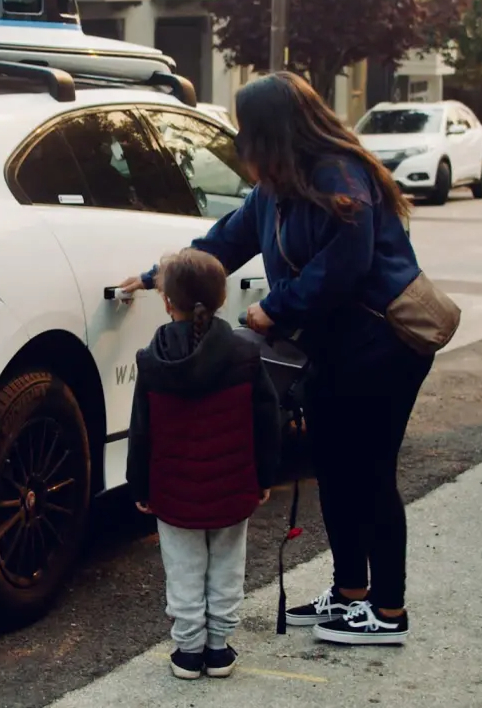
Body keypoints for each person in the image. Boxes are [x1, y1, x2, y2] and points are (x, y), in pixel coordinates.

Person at [119, 71, 435, 646]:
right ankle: (350, 594)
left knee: (369, 473)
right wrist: (153, 276)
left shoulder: (339, 176)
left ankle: (389, 611)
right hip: (337, 349)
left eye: (246, 132)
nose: (241, 145)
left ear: (272, 133)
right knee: (336, 469)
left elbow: (346, 264)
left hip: (383, 347)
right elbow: (222, 244)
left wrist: (274, 309)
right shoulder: (276, 192)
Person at [127, 247, 282, 680]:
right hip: (233, 485)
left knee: (184, 568)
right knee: (227, 566)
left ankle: (188, 651)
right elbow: (267, 421)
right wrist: (263, 477)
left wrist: (140, 487)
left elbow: (141, 431)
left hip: (173, 490)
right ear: (220, 298)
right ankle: (219, 648)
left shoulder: (152, 360)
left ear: (166, 302)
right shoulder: (245, 355)